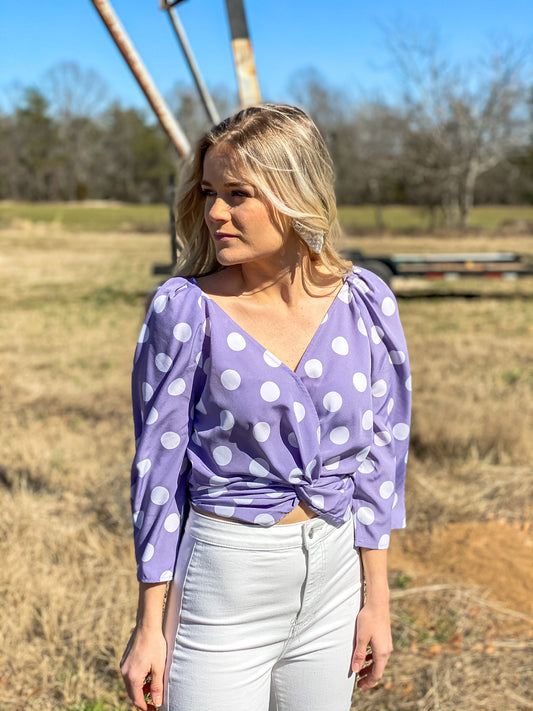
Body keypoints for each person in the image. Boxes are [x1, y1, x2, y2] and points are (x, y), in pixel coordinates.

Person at [120, 104, 411, 711]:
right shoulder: (186, 309)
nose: (215, 213)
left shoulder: (365, 302)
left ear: (294, 192)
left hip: (334, 577)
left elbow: (381, 460)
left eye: (238, 194)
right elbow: (158, 471)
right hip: (225, 585)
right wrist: (150, 624)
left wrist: (375, 600)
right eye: (208, 193)